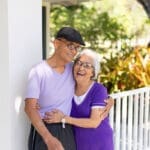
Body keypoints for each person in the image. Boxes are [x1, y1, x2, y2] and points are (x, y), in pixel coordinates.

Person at [24, 27, 114, 150]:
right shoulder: (38, 71)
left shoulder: (74, 68)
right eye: (70, 46)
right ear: (56, 43)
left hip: (67, 130)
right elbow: (29, 108)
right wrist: (49, 139)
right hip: (45, 130)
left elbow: (90, 81)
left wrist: (109, 99)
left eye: (77, 48)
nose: (74, 51)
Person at [44, 49, 114, 150]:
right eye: (79, 63)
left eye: (87, 65)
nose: (81, 67)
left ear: (93, 73)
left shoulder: (98, 90)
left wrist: (64, 119)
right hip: (78, 143)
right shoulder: (68, 87)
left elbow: (94, 122)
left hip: (100, 142)